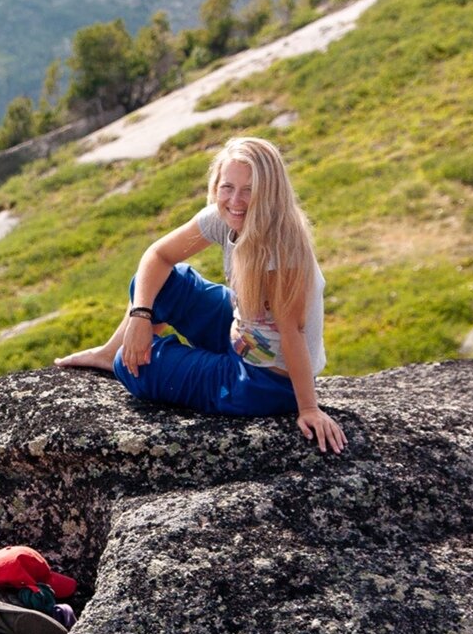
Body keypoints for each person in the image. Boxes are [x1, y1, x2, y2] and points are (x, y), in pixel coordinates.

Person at [56, 136, 346, 453]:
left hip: (264, 379)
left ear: (270, 193)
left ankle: (134, 358)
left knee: (131, 369)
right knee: (160, 282)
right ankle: (108, 353)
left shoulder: (281, 252)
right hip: (239, 332)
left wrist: (308, 409)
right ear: (217, 185)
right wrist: (140, 318)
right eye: (228, 187)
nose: (236, 200)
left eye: (250, 190)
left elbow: (293, 333)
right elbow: (157, 256)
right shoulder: (224, 217)